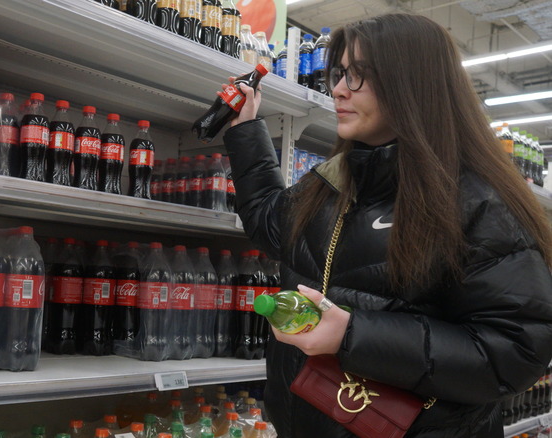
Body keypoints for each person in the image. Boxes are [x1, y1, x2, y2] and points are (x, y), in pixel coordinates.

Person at [223, 13, 552, 438]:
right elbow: (272, 224)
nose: (339, 89)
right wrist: (247, 129)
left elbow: (517, 351)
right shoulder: (334, 180)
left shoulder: (476, 201)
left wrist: (354, 335)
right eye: (339, 73)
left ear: (413, 84)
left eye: (359, 76)